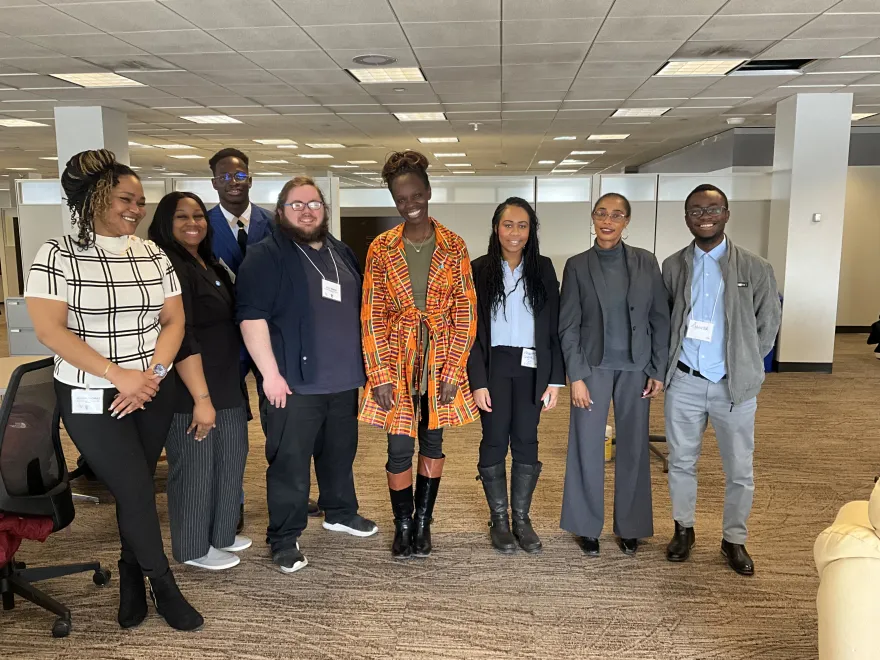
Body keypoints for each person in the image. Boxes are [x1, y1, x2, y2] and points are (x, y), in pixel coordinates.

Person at [24, 149, 202, 631]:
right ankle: (163, 585)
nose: (138, 209)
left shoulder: (151, 253)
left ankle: (129, 573)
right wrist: (116, 374)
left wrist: (153, 375)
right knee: (136, 487)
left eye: (142, 201)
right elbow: (49, 330)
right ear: (96, 198)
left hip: (151, 390)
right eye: (127, 198)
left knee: (135, 489)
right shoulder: (56, 254)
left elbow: (174, 320)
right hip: (90, 393)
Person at [237, 176, 378, 574]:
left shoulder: (340, 251)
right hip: (292, 385)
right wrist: (269, 375)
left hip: (343, 380)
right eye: (296, 204)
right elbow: (251, 318)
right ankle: (284, 537)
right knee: (290, 465)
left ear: (325, 210)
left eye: (314, 203)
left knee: (339, 456)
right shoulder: (266, 255)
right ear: (281, 211)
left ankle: (339, 511)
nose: (306, 210)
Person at [360, 150, 479, 559]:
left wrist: (452, 371)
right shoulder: (381, 248)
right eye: (401, 199)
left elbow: (465, 309)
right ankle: (403, 524)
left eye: (416, 196)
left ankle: (424, 522)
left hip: (440, 357)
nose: (410, 206)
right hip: (395, 358)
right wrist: (379, 376)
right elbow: (372, 314)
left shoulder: (453, 245)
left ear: (428, 193)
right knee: (397, 448)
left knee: (432, 441)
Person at [663, 183, 781, 576]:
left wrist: (746, 364)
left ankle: (734, 538)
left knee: (740, 469)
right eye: (696, 210)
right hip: (685, 382)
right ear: (687, 218)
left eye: (713, 209)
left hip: (735, 386)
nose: (705, 216)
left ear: (727, 214)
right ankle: (684, 529)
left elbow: (767, 325)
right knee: (681, 461)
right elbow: (666, 319)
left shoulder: (755, 267)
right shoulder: (674, 265)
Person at [206, 148, 320, 528]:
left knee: (282, 420)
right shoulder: (200, 226)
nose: (233, 183)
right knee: (230, 426)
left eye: (239, 176)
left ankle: (291, 496)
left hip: (271, 338)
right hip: (222, 341)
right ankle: (231, 502)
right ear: (214, 183)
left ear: (250, 180)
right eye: (225, 177)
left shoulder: (276, 222)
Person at [558, 193, 670, 557]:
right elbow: (568, 325)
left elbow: (659, 319)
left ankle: (631, 526)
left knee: (635, 447)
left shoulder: (645, 262)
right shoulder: (576, 265)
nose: (608, 220)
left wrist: (657, 368)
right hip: (592, 368)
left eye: (617, 215)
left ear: (626, 222)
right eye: (602, 213)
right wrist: (574, 375)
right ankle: (585, 526)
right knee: (586, 446)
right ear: (592, 218)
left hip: (636, 369)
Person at [148, 192, 250, 571]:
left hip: (225, 379)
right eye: (181, 217)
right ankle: (193, 547)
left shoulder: (207, 262)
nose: (193, 222)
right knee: (195, 469)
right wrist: (200, 398)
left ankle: (221, 534)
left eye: (198, 215)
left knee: (230, 459)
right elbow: (182, 335)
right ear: (165, 223)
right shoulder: (169, 266)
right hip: (191, 388)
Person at [468, 197, 565, 554]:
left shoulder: (543, 268)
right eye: (508, 224)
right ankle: (499, 520)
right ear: (496, 228)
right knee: (494, 438)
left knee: (526, 439)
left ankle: (521, 519)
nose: (514, 232)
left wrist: (555, 380)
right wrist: (477, 381)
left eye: (522, 225)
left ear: (531, 231)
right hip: (493, 367)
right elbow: (470, 333)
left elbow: (553, 328)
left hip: (532, 368)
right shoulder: (478, 269)